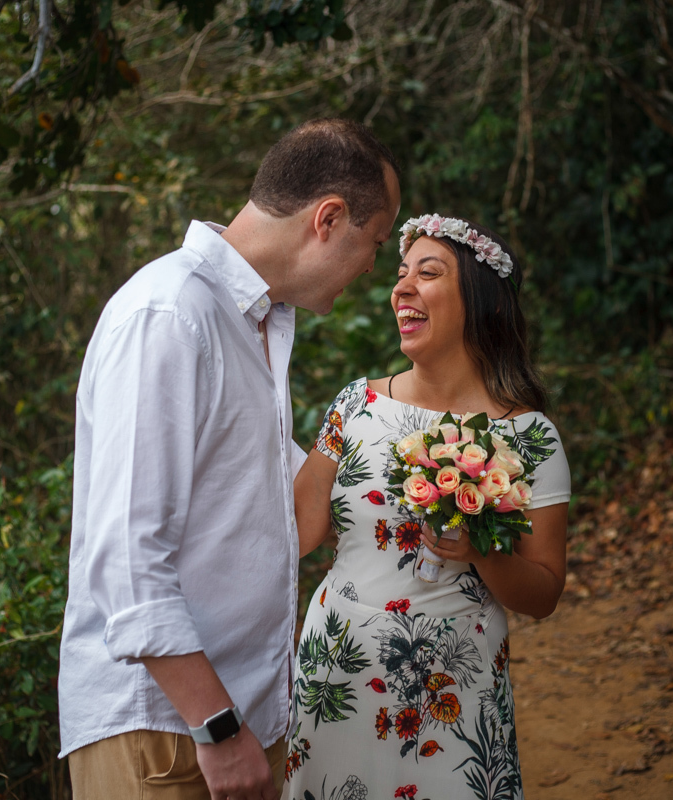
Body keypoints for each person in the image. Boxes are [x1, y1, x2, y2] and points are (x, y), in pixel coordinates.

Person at [58, 119, 401, 800]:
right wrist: (216, 727)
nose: (373, 267)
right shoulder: (170, 315)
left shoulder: (250, 325)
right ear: (329, 219)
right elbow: (126, 560)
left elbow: (291, 514)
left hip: (239, 718)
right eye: (377, 243)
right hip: (165, 729)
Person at [286, 214, 570, 800]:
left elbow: (543, 594)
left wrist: (482, 553)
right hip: (339, 667)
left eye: (429, 272)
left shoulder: (529, 437)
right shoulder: (355, 406)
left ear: (479, 298)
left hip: (455, 685)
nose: (402, 288)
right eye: (400, 273)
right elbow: (300, 528)